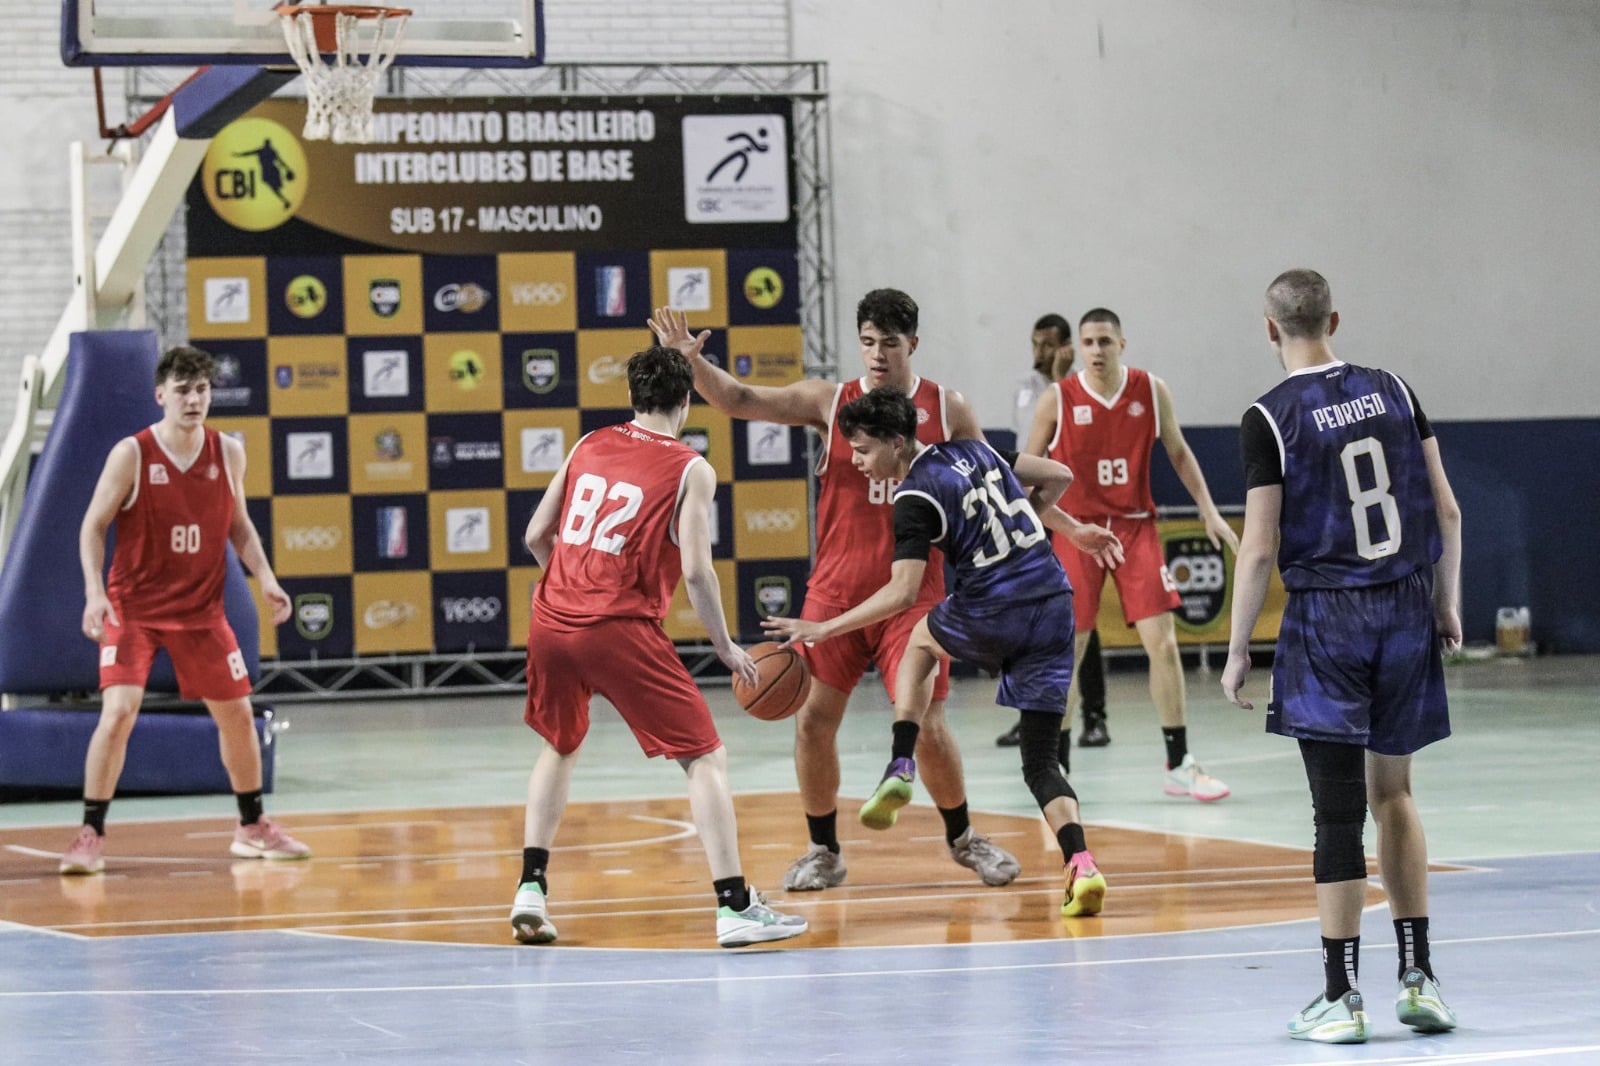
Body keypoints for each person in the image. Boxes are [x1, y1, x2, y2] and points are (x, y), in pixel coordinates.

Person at [650, 292, 1021, 892]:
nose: (877, 354)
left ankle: (963, 838)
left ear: (913, 346)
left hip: (915, 594)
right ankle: (824, 850)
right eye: (868, 341)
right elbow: (739, 399)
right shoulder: (832, 401)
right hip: (835, 594)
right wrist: (691, 363)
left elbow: (994, 479)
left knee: (927, 724)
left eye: (890, 344)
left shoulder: (946, 409)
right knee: (813, 722)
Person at [763, 387, 1124, 916]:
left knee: (919, 638)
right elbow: (1059, 476)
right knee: (1041, 759)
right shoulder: (976, 450)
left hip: (995, 603)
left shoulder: (913, 496)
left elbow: (902, 593)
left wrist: (825, 628)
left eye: (862, 450)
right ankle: (1081, 863)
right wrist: (1056, 524)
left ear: (894, 441)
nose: (856, 462)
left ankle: (901, 761)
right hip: (1053, 601)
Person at [1222, 270, 1461, 1043]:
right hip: (1404, 602)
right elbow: (1447, 509)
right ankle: (1420, 979)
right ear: (1334, 317)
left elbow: (1258, 549)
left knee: (1335, 811)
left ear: (1268, 329)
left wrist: (1235, 650)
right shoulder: (1393, 387)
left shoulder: (1269, 416)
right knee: (1395, 794)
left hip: (1329, 617)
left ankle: (1340, 996)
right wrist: (1446, 602)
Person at [511, 339, 807, 949]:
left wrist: (567, 584)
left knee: (559, 746)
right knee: (704, 757)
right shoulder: (691, 467)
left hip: (550, 618)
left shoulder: (589, 443)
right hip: (617, 625)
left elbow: (536, 534)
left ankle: (530, 888)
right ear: (687, 402)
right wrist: (725, 646)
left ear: (630, 396)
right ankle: (734, 907)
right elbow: (697, 571)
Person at [62, 345, 306, 875]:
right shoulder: (132, 454)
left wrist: (265, 577)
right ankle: (89, 832)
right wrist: (93, 591)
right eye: (183, 391)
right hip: (136, 608)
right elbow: (92, 526)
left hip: (201, 610)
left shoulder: (228, 453)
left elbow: (237, 524)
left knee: (239, 716)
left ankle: (251, 827)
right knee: (119, 712)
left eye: (202, 390)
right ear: (160, 396)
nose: (194, 400)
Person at [1023, 308, 1238, 800]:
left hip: (1135, 528)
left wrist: (1208, 509)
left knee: (1162, 644)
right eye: (1087, 342)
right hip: (1077, 530)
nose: (1095, 350)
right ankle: (1056, 765)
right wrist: (1038, 528)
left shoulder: (1150, 390)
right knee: (1069, 651)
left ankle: (1179, 763)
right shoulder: (1057, 399)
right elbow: (1024, 473)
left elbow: (1179, 452)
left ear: (1122, 343)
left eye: (1104, 340)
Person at [999, 313, 1110, 749]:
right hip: (1031, 506)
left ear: (1066, 346)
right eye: (1035, 343)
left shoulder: (1083, 387)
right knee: (1031, 616)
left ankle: (1094, 715)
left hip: (1070, 504)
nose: (1040, 352)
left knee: (1081, 616)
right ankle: (1028, 711)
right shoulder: (1026, 388)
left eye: (1049, 344)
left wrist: (1063, 376)